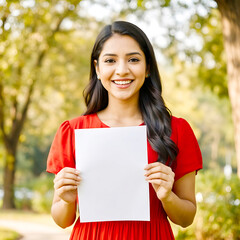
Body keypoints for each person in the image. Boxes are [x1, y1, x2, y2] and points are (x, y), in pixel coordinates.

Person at [47, 21, 202, 240]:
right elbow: (62, 220)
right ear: (97, 69)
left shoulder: (176, 130)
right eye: (110, 60)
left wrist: (167, 196)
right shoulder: (72, 131)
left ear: (147, 68)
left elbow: (186, 218)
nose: (122, 70)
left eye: (133, 59)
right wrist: (66, 199)